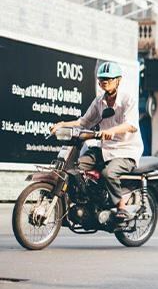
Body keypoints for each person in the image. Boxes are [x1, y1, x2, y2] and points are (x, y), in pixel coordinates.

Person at [51, 62, 143, 220]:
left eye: (108, 79)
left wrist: (111, 131)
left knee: (108, 173)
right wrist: (62, 124)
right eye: (102, 79)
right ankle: (91, 201)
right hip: (105, 149)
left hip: (126, 150)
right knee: (76, 167)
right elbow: (84, 122)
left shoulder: (128, 99)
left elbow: (132, 125)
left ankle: (121, 206)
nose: (104, 82)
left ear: (118, 80)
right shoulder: (99, 101)